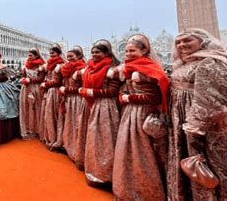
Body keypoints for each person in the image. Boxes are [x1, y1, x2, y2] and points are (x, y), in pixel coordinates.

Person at [167, 28, 227, 201]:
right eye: (178, 42)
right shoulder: (185, 63)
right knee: (189, 164)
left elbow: (212, 101)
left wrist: (195, 128)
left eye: (188, 40)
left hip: (202, 127)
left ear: (202, 41)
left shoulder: (211, 62)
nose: (182, 45)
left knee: (208, 164)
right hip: (181, 120)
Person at [112, 34, 169, 201]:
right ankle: (128, 188)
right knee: (128, 150)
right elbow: (124, 88)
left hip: (143, 114)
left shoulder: (148, 68)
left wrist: (129, 98)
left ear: (144, 50)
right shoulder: (130, 68)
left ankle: (145, 192)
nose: (128, 53)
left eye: (133, 50)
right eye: (127, 50)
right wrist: (124, 95)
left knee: (143, 152)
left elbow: (154, 98)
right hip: (131, 114)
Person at [78, 40, 121, 186]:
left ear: (107, 53)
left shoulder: (113, 68)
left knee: (103, 138)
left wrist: (90, 92)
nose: (95, 55)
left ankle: (105, 172)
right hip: (91, 103)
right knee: (91, 136)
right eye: (93, 52)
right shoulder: (89, 67)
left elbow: (112, 91)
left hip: (105, 107)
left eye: (98, 52)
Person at [59, 46, 86, 168]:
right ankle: (69, 146)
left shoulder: (82, 69)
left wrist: (67, 89)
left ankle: (77, 150)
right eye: (68, 56)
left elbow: (82, 88)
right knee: (69, 123)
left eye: (72, 56)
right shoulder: (65, 68)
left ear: (79, 56)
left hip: (78, 100)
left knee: (77, 125)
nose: (69, 59)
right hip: (69, 100)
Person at [40, 44, 65, 149]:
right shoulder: (50, 64)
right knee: (48, 115)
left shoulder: (60, 64)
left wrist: (46, 84)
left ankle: (55, 138)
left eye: (53, 53)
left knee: (54, 115)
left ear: (59, 54)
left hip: (55, 92)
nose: (51, 55)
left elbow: (58, 81)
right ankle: (50, 136)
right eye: (50, 53)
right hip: (49, 92)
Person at [19, 48, 46, 139]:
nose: (29, 57)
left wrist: (30, 80)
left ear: (36, 56)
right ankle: (27, 129)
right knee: (26, 107)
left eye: (31, 55)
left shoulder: (41, 66)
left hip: (35, 89)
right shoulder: (25, 65)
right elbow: (23, 76)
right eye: (28, 55)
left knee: (35, 108)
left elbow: (41, 79)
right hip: (26, 89)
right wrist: (23, 79)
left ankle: (37, 130)